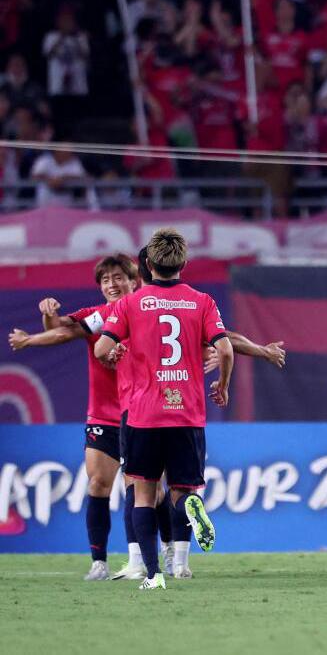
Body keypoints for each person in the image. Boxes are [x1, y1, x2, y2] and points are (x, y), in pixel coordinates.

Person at [93, 229, 232, 590]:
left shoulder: (130, 303)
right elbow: (227, 349)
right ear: (183, 264)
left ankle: (153, 574)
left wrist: (115, 350)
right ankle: (181, 565)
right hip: (186, 412)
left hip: (143, 413)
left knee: (143, 492)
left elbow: (100, 348)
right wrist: (223, 384)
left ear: (148, 265)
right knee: (182, 490)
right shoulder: (202, 301)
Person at [7, 255, 138, 580]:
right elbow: (64, 330)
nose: (112, 284)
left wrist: (30, 340)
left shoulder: (148, 315)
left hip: (141, 414)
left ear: (134, 280)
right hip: (103, 417)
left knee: (145, 489)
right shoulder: (98, 318)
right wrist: (48, 317)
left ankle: (158, 552)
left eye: (118, 277)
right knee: (97, 483)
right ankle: (99, 563)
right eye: (106, 280)